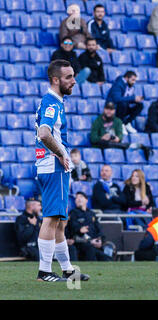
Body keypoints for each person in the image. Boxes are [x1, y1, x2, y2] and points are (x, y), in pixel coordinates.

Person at [35, 59, 89, 282]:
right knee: (51, 218)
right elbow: (44, 133)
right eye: (69, 77)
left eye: (74, 76)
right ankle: (44, 271)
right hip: (53, 167)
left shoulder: (56, 101)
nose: (74, 81)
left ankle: (67, 269)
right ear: (55, 79)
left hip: (55, 166)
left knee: (60, 220)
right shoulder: (52, 104)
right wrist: (59, 153)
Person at [68, 192, 113, 261]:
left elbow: (99, 229)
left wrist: (100, 240)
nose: (78, 199)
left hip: (95, 244)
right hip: (82, 244)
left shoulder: (92, 214)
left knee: (107, 258)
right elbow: (72, 229)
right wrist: (80, 230)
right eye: (76, 198)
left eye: (81, 197)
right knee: (90, 250)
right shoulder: (73, 213)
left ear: (86, 200)